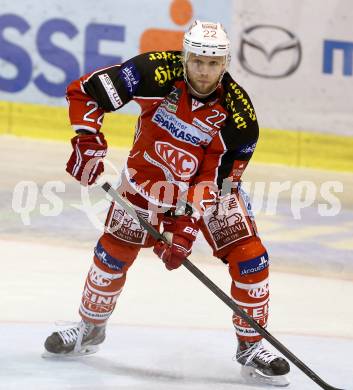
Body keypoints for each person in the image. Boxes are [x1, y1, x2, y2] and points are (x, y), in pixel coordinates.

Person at [44, 20, 290, 386]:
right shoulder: (153, 71)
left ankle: (251, 347)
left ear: (225, 63)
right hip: (146, 181)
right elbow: (86, 91)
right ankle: (89, 330)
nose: (204, 72)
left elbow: (218, 183)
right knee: (112, 252)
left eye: (213, 63)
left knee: (250, 256)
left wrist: (184, 229)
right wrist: (87, 139)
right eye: (197, 62)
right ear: (185, 56)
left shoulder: (240, 118)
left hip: (208, 192)